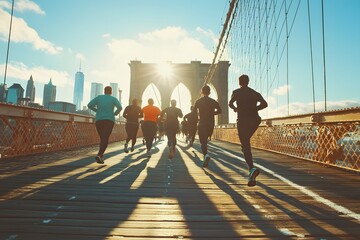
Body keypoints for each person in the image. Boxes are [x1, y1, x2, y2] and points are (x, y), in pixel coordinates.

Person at [229, 74, 268, 187]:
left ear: (239, 82)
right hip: (255, 120)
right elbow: (265, 104)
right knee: (246, 143)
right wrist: (254, 108)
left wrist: (236, 108)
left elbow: (230, 103)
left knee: (245, 145)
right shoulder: (254, 93)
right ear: (248, 82)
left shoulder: (236, 92)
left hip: (242, 121)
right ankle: (251, 172)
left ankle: (251, 169)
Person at [87, 86, 122, 164]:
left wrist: (97, 110)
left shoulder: (99, 97)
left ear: (104, 91)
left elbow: (89, 105)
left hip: (99, 120)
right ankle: (100, 155)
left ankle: (100, 155)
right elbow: (120, 107)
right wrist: (114, 113)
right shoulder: (113, 99)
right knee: (105, 138)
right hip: (109, 120)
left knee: (102, 138)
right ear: (111, 92)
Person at [193, 85, 222, 167]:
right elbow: (220, 111)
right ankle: (206, 155)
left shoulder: (198, 101)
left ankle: (206, 155)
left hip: (202, 123)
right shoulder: (213, 101)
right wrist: (212, 113)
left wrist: (199, 115)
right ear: (209, 92)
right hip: (210, 124)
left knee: (203, 142)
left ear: (202, 92)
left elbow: (194, 112)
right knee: (205, 139)